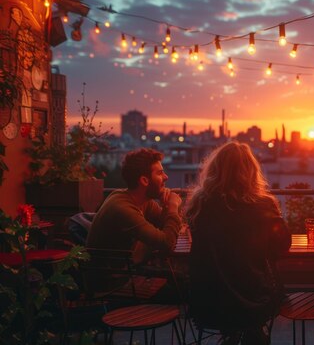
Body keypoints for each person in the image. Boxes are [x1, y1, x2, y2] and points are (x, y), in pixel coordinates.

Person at [185, 142, 291, 345]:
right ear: (251, 172)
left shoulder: (200, 204)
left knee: (235, 308)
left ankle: (233, 336)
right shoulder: (262, 205)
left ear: (214, 170)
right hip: (254, 301)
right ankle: (249, 334)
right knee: (266, 295)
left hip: (207, 302)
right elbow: (282, 245)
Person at [86, 148, 183, 264]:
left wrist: (167, 206)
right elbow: (167, 243)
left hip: (127, 272)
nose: (166, 177)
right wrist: (173, 206)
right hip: (112, 280)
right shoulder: (122, 208)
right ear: (144, 181)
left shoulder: (143, 200)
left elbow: (164, 225)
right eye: (160, 173)